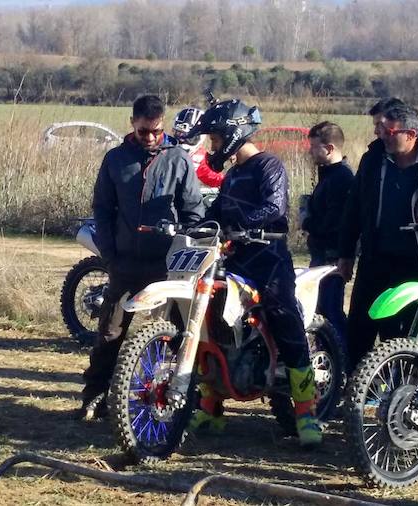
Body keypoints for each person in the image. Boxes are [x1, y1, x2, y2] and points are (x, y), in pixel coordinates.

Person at [187, 99, 322, 447]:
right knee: (209, 322)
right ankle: (210, 407)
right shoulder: (232, 175)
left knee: (283, 315)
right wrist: (188, 225)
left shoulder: (268, 165)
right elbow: (216, 211)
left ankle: (306, 412)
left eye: (215, 138)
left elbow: (274, 207)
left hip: (268, 257)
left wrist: (238, 226)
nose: (213, 145)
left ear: (233, 134)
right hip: (233, 257)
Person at [77, 95, 205, 420]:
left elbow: (193, 212)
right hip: (125, 263)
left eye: (156, 131)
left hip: (168, 265)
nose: (150, 137)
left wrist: (188, 250)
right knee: (110, 333)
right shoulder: (116, 159)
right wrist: (109, 254)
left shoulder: (178, 159)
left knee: (178, 334)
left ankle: (181, 401)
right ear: (132, 122)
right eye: (144, 130)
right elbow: (103, 209)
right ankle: (95, 396)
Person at [338, 104, 418, 373]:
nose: (379, 134)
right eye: (377, 128)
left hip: (417, 263)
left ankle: (399, 392)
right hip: (375, 258)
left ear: (411, 133)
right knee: (360, 326)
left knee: (403, 331)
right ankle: (351, 388)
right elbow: (353, 209)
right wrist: (346, 253)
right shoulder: (372, 160)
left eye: (386, 129)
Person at [301, 122, 354, 343]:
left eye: (314, 147)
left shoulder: (341, 178)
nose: (310, 151)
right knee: (321, 309)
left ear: (329, 148)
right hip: (322, 253)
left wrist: (307, 222)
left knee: (331, 312)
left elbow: (335, 222)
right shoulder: (329, 175)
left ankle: (341, 360)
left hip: (331, 256)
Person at [172, 106, 223, 189]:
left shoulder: (198, 156)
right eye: (178, 134)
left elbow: (213, 177)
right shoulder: (163, 148)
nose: (182, 140)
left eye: (187, 136)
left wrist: (230, 183)